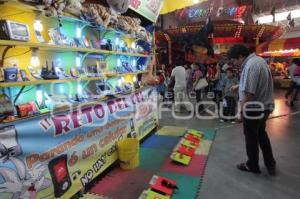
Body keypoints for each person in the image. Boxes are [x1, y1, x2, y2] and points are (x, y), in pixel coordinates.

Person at [228, 44, 276, 175]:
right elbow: (254, 83)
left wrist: (240, 112)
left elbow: (249, 93)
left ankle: (252, 165)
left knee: (251, 137)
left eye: (234, 60)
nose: (234, 63)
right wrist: (238, 86)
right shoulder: (258, 61)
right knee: (261, 134)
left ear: (240, 56)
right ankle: (270, 162)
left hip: (254, 108)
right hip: (263, 107)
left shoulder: (250, 66)